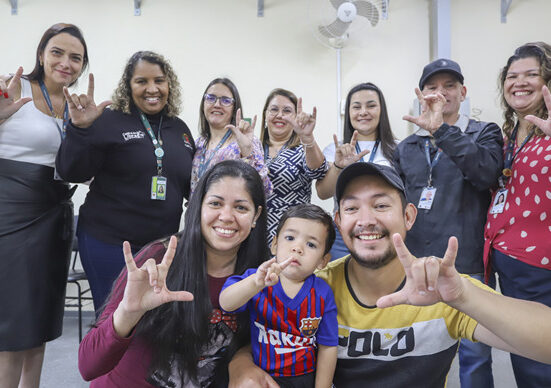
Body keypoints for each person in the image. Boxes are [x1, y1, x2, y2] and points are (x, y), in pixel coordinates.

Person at [229, 162, 551, 388]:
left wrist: (464, 297)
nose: (366, 220)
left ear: (408, 216)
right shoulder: (318, 285)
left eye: (381, 205)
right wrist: (239, 365)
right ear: (339, 222)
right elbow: (266, 334)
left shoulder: (442, 287)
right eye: (352, 209)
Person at [78, 160, 270, 387]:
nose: (227, 216)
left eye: (240, 207)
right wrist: (129, 313)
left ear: (256, 215)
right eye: (215, 203)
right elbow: (88, 366)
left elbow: (258, 336)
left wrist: (243, 359)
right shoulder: (161, 259)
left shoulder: (261, 273)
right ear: (198, 206)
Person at [56, 51, 196, 312]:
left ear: (169, 85)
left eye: (159, 81)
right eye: (141, 81)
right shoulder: (108, 121)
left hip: (159, 248)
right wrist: (80, 130)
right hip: (108, 243)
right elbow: (70, 171)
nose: (152, 89)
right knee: (113, 322)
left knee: (151, 324)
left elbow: (191, 188)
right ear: (128, 86)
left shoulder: (180, 129)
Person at [394, 58, 503, 387]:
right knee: (416, 352)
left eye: (449, 86)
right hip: (416, 265)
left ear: (463, 92)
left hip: (466, 263)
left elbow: (485, 174)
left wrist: (442, 130)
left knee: (474, 356)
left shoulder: (484, 132)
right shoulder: (408, 146)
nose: (440, 93)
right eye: (432, 87)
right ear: (421, 95)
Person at [0, 23, 88, 388]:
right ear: (41, 54)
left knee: (38, 321)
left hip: (53, 215)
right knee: (11, 325)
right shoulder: (11, 87)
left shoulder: (73, 108)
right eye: (57, 52)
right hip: (11, 212)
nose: (65, 62)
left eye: (75, 57)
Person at [484, 42, 551, 387]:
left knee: (542, 363)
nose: (519, 82)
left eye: (531, 74)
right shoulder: (511, 132)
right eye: (512, 76)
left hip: (541, 266)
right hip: (508, 263)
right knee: (524, 359)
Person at [220, 204, 338, 387]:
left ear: (323, 260)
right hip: (260, 375)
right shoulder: (257, 278)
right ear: (274, 244)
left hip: (304, 379)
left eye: (311, 244)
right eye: (290, 238)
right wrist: (254, 284)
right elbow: (226, 303)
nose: (298, 248)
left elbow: (328, 347)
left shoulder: (323, 294)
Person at [316, 82, 398, 261]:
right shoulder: (334, 149)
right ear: (349, 113)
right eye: (356, 107)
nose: (363, 112)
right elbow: (323, 193)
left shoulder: (398, 149)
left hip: (386, 229)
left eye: (371, 105)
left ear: (381, 110)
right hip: (344, 231)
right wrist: (338, 166)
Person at [259, 88, 328, 243]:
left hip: (293, 236)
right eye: (274, 109)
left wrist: (308, 139)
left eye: (287, 111)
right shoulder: (254, 147)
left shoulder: (302, 148)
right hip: (255, 234)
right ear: (265, 114)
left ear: (296, 116)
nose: (280, 115)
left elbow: (319, 171)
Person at [191, 77, 271, 196]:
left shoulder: (244, 142)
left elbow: (265, 190)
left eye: (226, 100)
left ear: (234, 108)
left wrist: (247, 153)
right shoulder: (198, 143)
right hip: (196, 213)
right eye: (211, 98)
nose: (217, 104)